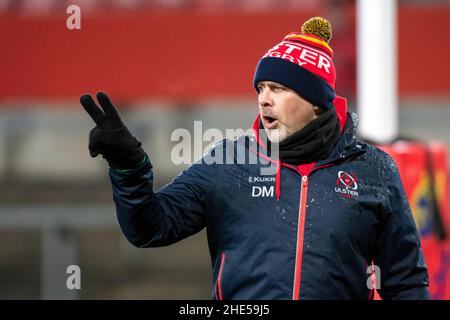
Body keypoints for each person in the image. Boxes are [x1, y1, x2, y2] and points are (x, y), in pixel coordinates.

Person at [80, 17, 430, 299]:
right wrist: (128, 166)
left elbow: (405, 282)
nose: (264, 99)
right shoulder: (227, 162)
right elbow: (149, 228)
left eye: (278, 88)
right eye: (260, 88)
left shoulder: (374, 169)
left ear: (317, 102)